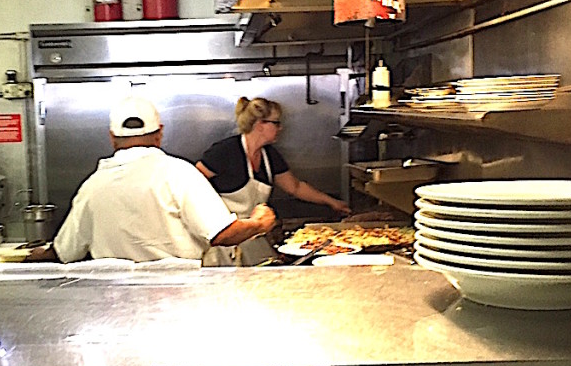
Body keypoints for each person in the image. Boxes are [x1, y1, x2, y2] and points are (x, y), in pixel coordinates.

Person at [29, 96, 276, 263]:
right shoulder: (178, 173)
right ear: (159, 134)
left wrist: (25, 258)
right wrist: (259, 223)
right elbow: (223, 234)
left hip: (114, 306)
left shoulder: (92, 187)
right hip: (179, 299)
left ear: (112, 138)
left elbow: (64, 251)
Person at [197, 97, 350, 264]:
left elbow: (295, 187)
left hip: (254, 237)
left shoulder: (269, 156)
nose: (280, 127)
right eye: (276, 123)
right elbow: (193, 184)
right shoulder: (224, 152)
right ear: (259, 125)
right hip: (224, 243)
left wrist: (332, 202)